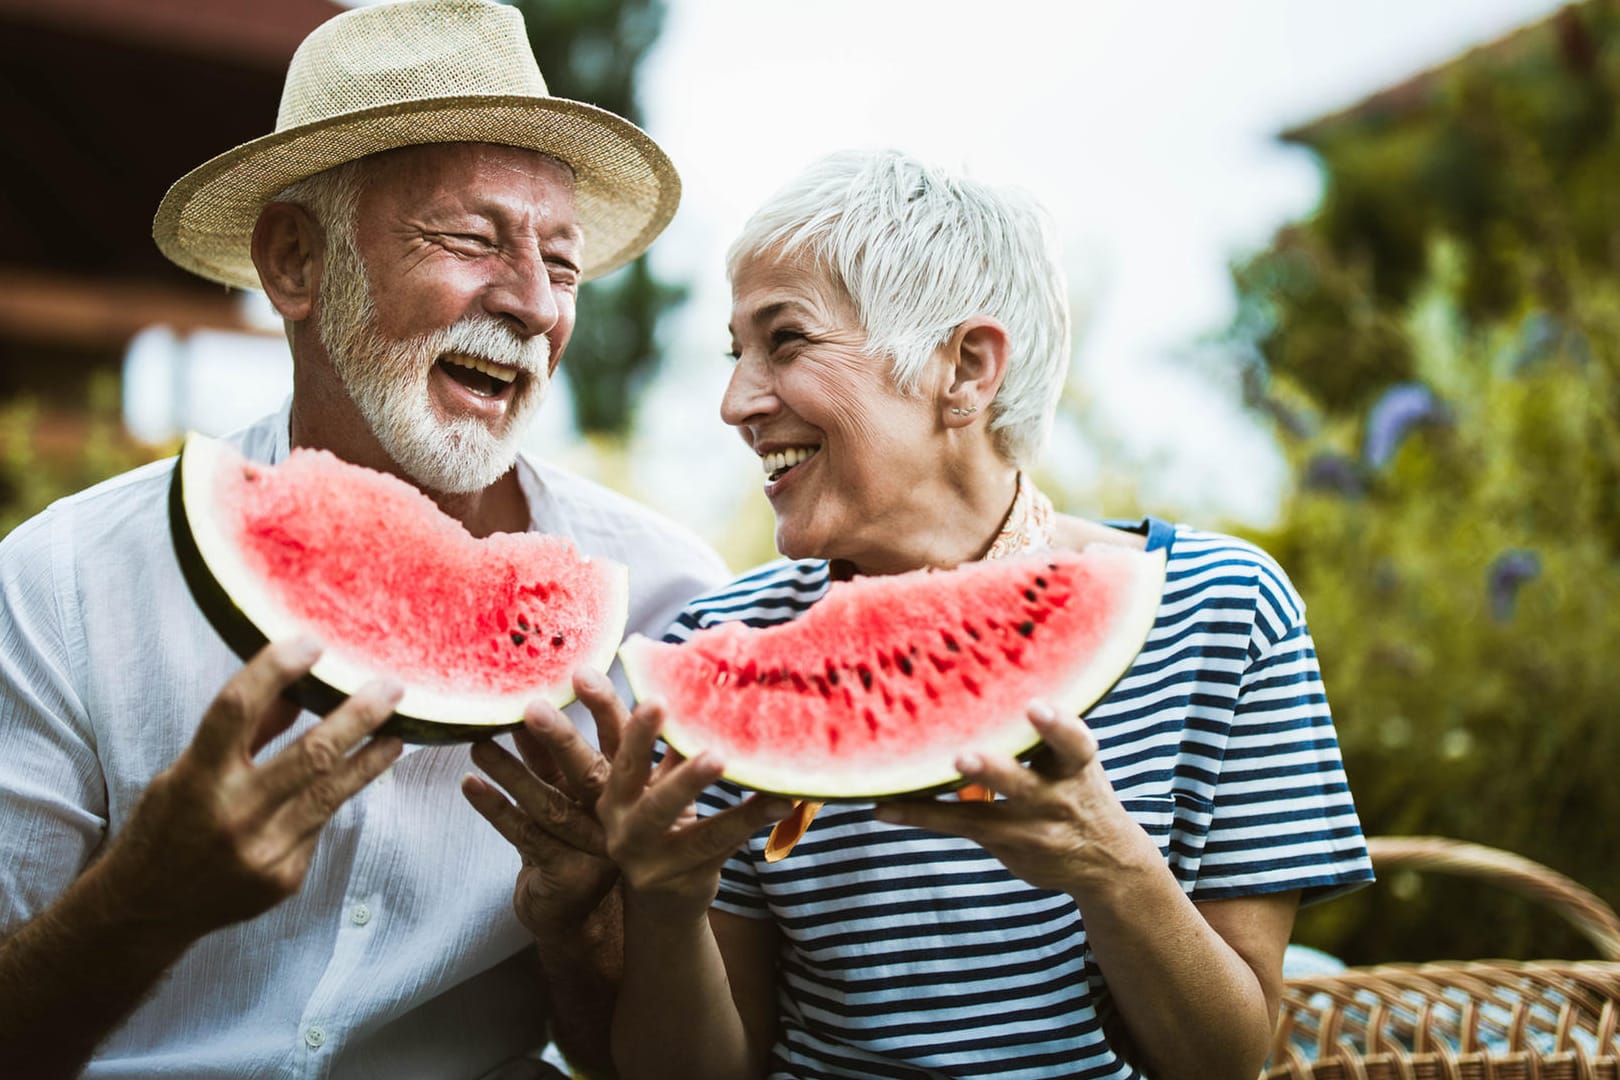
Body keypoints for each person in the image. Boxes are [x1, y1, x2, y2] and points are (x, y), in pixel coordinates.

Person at [476, 149, 1375, 1080]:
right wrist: (663, 903)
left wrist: (1112, 868)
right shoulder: (718, 645)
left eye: (785, 341)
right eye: (735, 351)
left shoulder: (1222, 613)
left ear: (967, 368)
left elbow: (1227, 1062)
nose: (736, 401)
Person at [0, 1, 726, 1077]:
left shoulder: (666, 606)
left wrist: (586, 937)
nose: (534, 304)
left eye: (563, 264)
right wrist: (141, 906)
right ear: (296, 262)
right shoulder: (64, 582)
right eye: (473, 237)